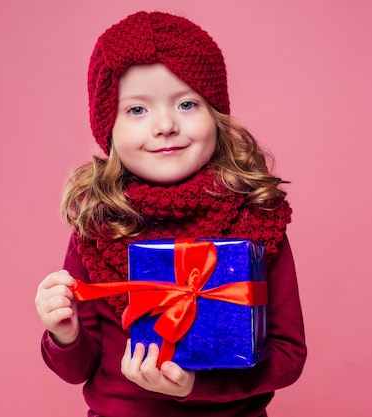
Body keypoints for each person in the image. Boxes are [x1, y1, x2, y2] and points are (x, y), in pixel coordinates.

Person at [35, 10, 306, 417]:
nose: (164, 125)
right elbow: (78, 370)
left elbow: (288, 355)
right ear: (108, 130)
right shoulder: (99, 226)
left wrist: (196, 386)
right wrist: (64, 335)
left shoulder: (256, 219)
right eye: (137, 110)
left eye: (186, 103)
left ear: (215, 114)